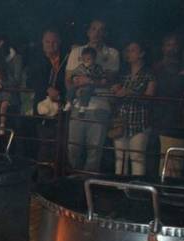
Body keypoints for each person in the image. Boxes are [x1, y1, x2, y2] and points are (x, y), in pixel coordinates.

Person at [65, 19, 120, 172]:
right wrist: (76, 86)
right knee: (73, 148)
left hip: (100, 105)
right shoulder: (76, 52)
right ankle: (74, 180)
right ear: (88, 31)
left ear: (105, 33)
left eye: (101, 29)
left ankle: (88, 183)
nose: (97, 33)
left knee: (95, 150)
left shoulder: (113, 54)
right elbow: (68, 79)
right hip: (78, 104)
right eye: (94, 29)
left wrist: (89, 80)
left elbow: (110, 79)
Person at [153, 34, 184, 177]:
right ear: (163, 48)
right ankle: (166, 194)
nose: (172, 48)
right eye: (169, 45)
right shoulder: (160, 68)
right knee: (170, 167)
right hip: (169, 123)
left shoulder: (181, 68)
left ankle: (169, 192)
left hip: (183, 124)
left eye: (174, 45)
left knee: (177, 166)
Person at [111, 42, 156, 175]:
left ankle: (137, 191)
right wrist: (114, 90)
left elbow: (150, 98)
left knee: (137, 159)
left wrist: (129, 92)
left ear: (142, 53)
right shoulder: (122, 73)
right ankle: (120, 188)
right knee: (120, 158)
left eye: (133, 50)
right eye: (128, 50)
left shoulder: (149, 74)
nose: (129, 53)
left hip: (140, 122)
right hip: (121, 121)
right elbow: (115, 96)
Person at [27, 29, 67, 163]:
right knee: (45, 145)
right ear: (42, 43)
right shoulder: (36, 59)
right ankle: (44, 177)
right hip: (42, 108)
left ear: (59, 42)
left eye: (54, 41)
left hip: (62, 108)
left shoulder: (67, 59)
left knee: (61, 146)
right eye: (48, 41)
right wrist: (46, 88)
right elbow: (31, 80)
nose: (51, 44)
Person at [64, 47, 106, 114]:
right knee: (71, 88)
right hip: (79, 85)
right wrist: (74, 78)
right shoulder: (81, 67)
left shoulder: (97, 68)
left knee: (86, 91)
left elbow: (102, 77)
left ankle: (83, 106)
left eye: (88, 59)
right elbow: (74, 74)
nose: (86, 61)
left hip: (89, 85)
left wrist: (99, 79)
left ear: (94, 59)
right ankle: (69, 102)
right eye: (84, 59)